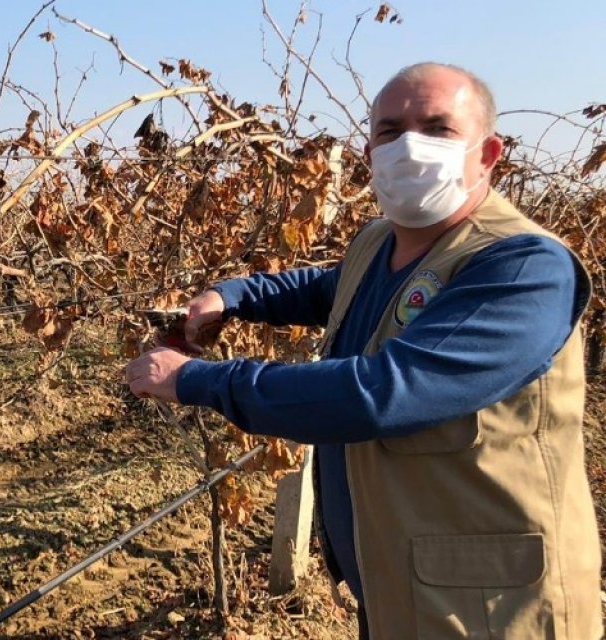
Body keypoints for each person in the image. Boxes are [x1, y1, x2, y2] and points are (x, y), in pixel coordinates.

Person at [124, 62, 602, 639]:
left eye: (437, 128)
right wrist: (231, 297)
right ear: (369, 151)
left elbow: (381, 393)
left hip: (491, 609)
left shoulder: (525, 268)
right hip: (402, 586)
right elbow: (329, 288)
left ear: (489, 153)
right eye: (390, 130)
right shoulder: (381, 241)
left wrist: (195, 379)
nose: (410, 147)